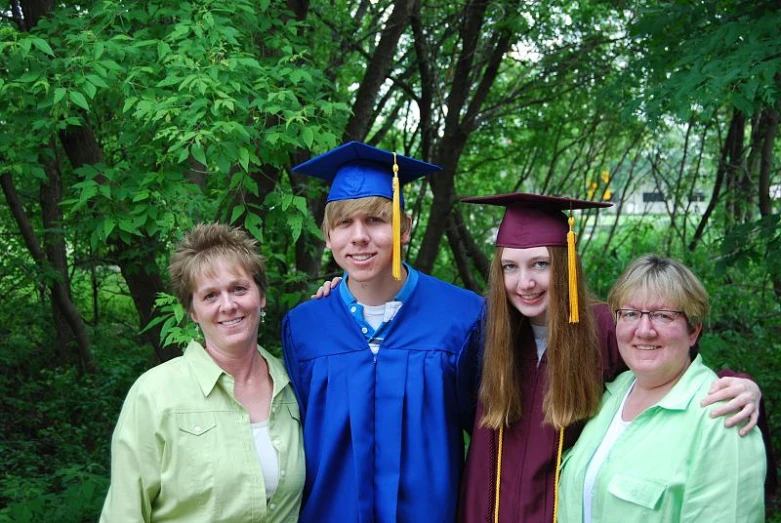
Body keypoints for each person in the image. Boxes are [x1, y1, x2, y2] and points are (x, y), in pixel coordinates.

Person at [457, 193, 765, 523]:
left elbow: (673, 368)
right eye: (510, 267)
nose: (525, 283)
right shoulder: (488, 333)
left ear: (565, 266)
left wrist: (743, 385)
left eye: (540, 264)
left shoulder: (605, 326)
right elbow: (460, 411)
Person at [282, 141, 484, 522]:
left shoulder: (462, 317)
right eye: (344, 223)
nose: (359, 236)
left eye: (375, 220)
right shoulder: (305, 327)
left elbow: (489, 435)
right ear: (328, 236)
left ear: (404, 228)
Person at [100, 223, 305, 522]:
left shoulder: (294, 386)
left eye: (239, 288)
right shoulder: (155, 395)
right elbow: (124, 514)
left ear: (261, 296)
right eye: (210, 296)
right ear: (193, 312)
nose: (228, 305)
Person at [557, 254, 766, 522]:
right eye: (630, 314)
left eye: (663, 316)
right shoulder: (610, 395)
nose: (644, 330)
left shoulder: (721, 418)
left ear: (693, 331)